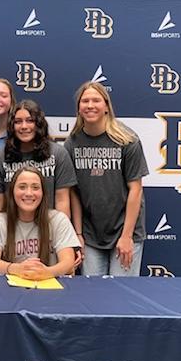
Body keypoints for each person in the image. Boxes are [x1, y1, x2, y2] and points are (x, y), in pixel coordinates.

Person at [64, 81, 149, 276]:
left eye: (96, 100)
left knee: (122, 295)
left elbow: (136, 189)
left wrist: (127, 236)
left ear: (106, 106)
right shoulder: (72, 143)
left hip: (125, 231)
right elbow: (73, 192)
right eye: (85, 101)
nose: (90, 105)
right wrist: (78, 233)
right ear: (79, 108)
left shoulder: (127, 140)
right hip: (91, 234)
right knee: (93, 296)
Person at [0, 167, 79, 280]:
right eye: (22, 187)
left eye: (35, 187)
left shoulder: (58, 220)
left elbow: (68, 264)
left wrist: (46, 272)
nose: (29, 193)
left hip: (49, 289)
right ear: (12, 192)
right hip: (8, 290)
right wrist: (17, 269)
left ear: (43, 193)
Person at [0, 99, 77, 218]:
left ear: (39, 123)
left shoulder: (58, 154)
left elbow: (62, 201)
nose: (24, 126)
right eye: (18, 122)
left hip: (48, 228)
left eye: (30, 121)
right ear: (11, 126)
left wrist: (61, 234)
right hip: (12, 230)